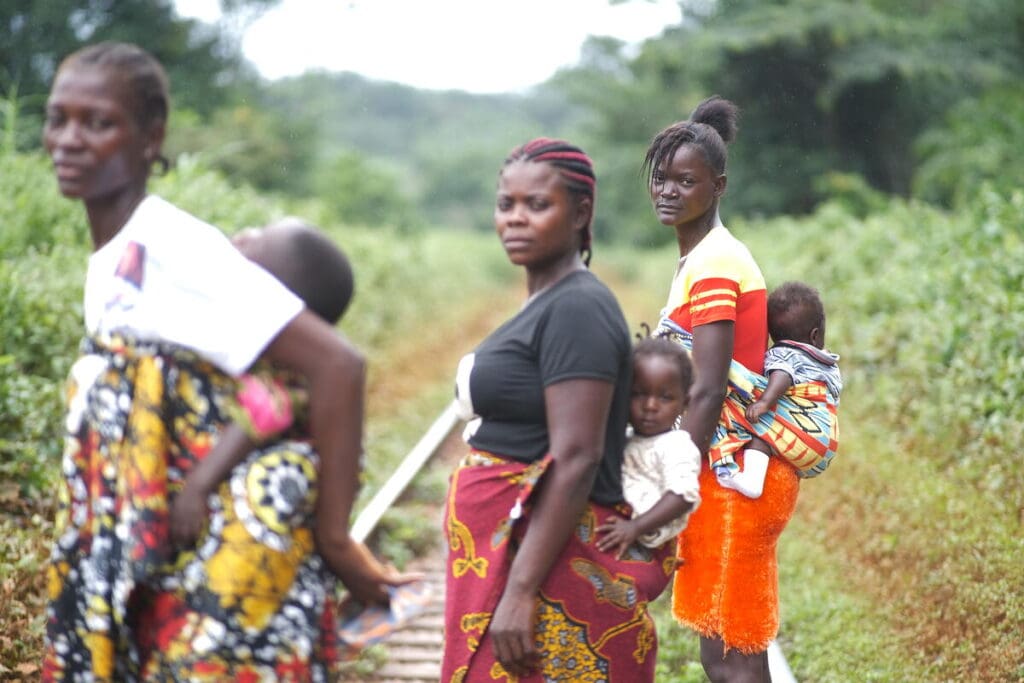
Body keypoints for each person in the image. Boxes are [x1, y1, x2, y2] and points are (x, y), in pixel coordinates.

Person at [40, 42, 383, 681]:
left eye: (99, 122)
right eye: (58, 118)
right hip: (138, 537)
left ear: (152, 136)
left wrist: (339, 543)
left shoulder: (175, 247)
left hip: (210, 550)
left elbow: (338, 366)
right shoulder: (120, 252)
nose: (69, 139)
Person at [444, 138, 675, 681]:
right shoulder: (550, 299)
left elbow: (577, 456)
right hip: (520, 557)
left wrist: (520, 592)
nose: (516, 219)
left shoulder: (577, 307)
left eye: (537, 205)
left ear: (581, 212)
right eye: (506, 205)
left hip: (547, 573)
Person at [645, 95, 798, 682]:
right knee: (724, 648)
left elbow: (707, 390)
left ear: (719, 186)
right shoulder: (701, 258)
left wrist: (673, 478)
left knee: (731, 654)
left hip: (734, 478)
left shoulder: (714, 264)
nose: (669, 191)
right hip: (730, 469)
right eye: (663, 179)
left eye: (687, 181)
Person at [717, 281, 844, 498]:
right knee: (769, 436)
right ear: (815, 335)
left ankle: (751, 481)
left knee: (759, 433)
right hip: (826, 441)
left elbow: (782, 374)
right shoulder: (826, 360)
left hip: (806, 436)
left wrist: (764, 402)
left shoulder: (783, 354)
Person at [595, 336, 702, 558]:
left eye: (665, 398)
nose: (650, 406)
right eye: (638, 394)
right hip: (616, 532)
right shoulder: (625, 437)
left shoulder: (677, 446)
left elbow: (683, 496)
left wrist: (636, 528)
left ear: (685, 403)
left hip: (642, 543)